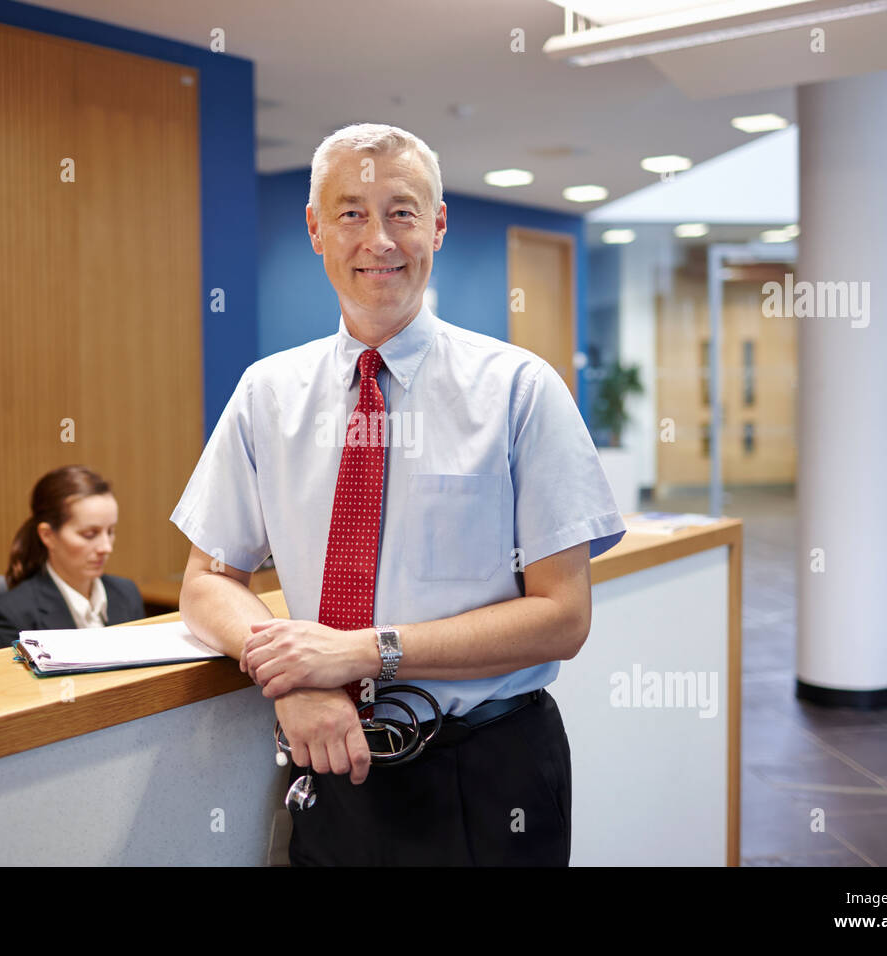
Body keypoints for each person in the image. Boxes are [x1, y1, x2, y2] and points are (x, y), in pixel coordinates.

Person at [170, 123, 625, 865]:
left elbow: (562, 617)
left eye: (402, 211)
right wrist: (295, 677)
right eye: (351, 213)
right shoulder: (267, 394)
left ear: (438, 226)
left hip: (485, 771)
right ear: (316, 230)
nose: (378, 239)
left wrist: (362, 653)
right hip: (327, 766)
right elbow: (207, 583)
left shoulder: (519, 390)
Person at [0, 465, 146, 652]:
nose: (106, 547)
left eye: (110, 531)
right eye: (90, 534)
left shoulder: (127, 593)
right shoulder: (12, 616)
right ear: (48, 535)